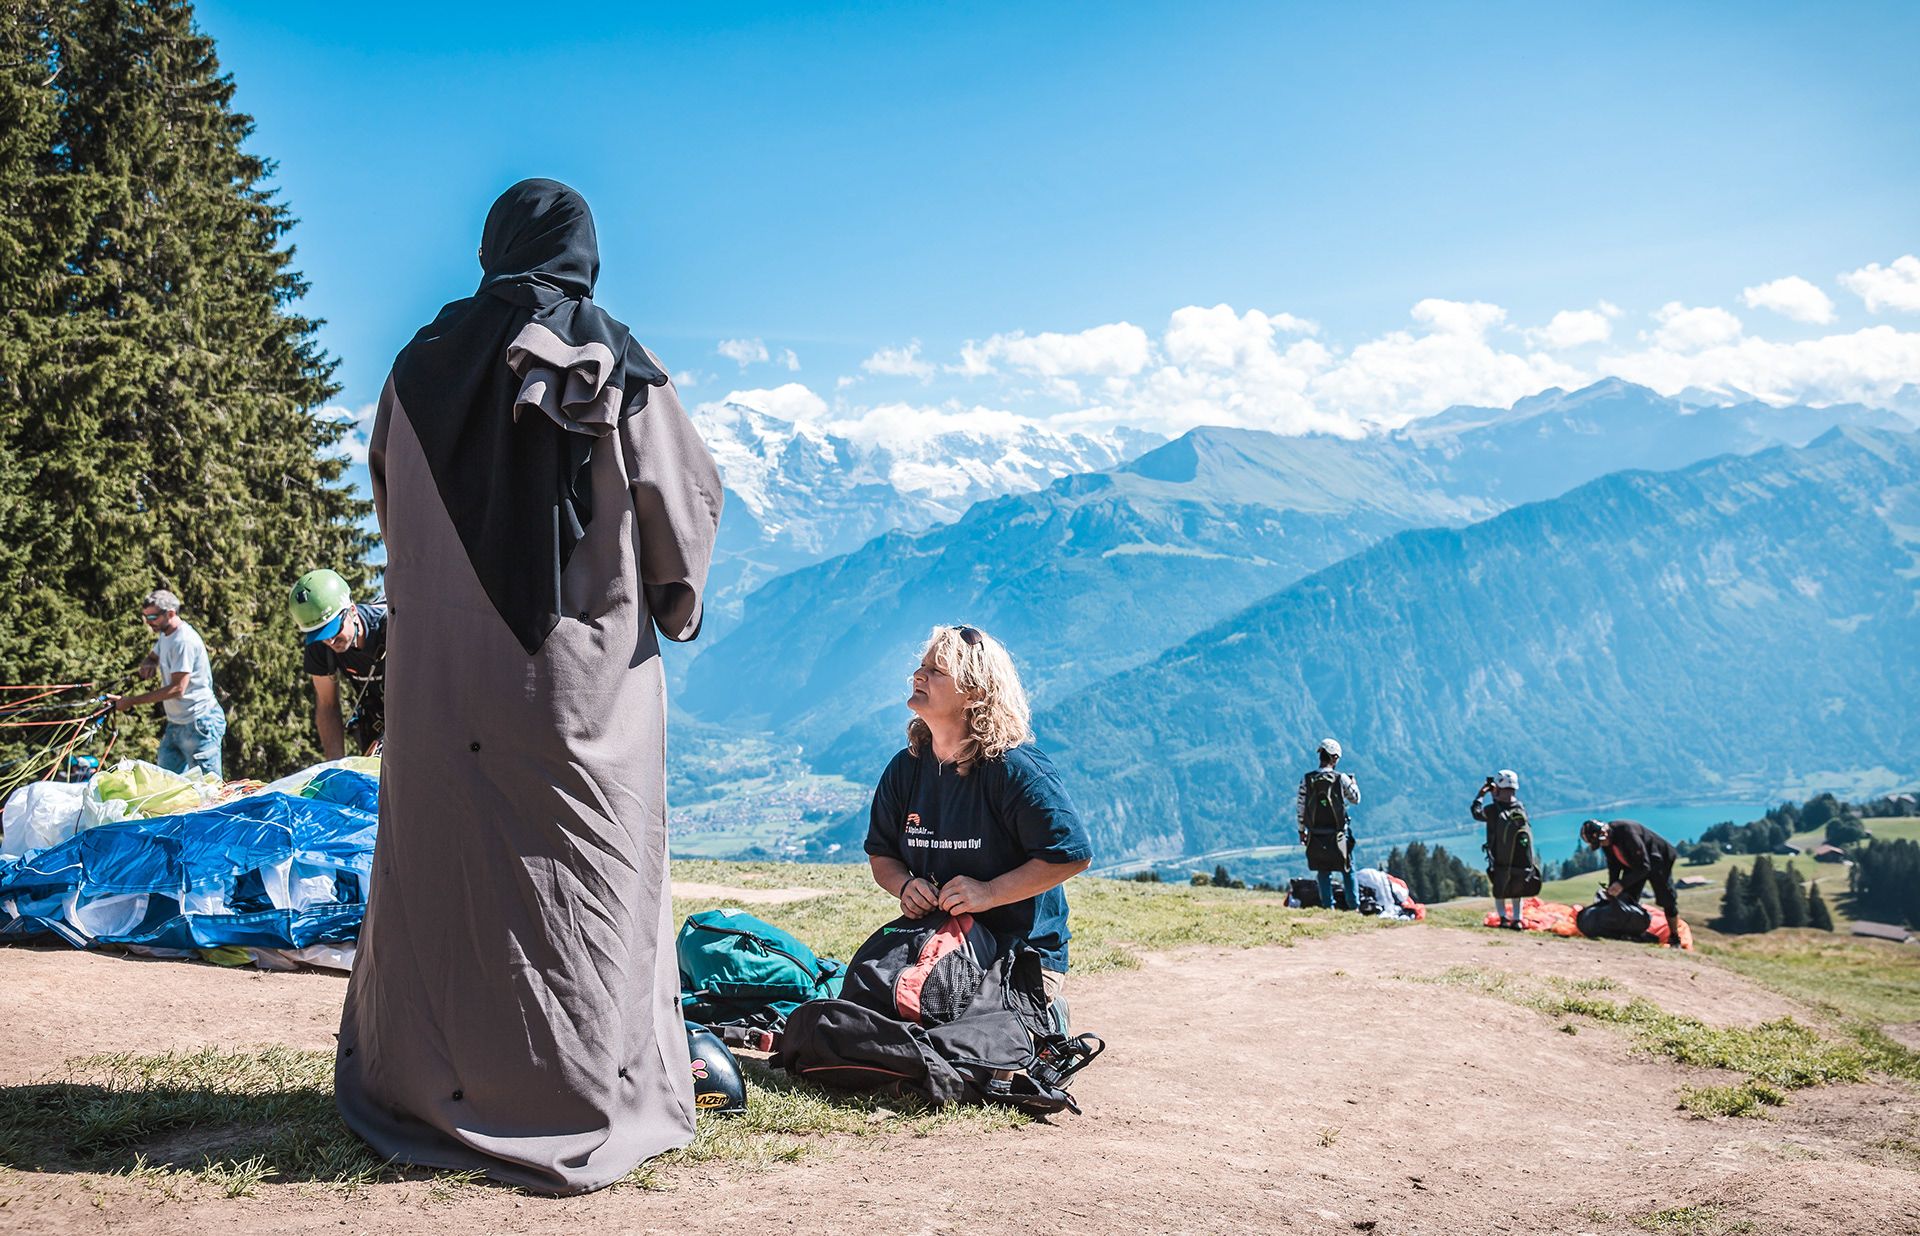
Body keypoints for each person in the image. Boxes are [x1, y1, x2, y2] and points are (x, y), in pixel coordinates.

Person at [334, 179, 723, 1195]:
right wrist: (667, 603)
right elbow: (681, 518)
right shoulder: (620, 364)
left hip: (440, 686)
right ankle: (577, 1091)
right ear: (584, 251)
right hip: (579, 694)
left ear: (491, 248)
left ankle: (424, 1085)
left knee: (446, 883)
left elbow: (391, 510)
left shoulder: (413, 369)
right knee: (583, 886)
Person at [865, 625, 1093, 1012]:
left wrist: (988, 894)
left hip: (1019, 954)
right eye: (921, 666)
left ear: (974, 693)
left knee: (961, 1037)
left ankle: (1049, 1016)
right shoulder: (906, 769)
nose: (918, 676)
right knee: (874, 1010)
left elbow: (1071, 854)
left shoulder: (1014, 769)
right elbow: (881, 855)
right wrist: (905, 886)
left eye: (936, 671)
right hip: (938, 942)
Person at [107, 589, 226, 778]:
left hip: (199, 723)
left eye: (153, 617)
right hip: (176, 724)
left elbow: (178, 689)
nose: (148, 622)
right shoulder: (166, 634)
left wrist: (130, 701)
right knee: (167, 783)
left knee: (210, 788)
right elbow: (154, 655)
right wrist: (149, 662)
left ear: (170, 613)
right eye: (145, 617)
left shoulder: (183, 641)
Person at [290, 568, 389, 758]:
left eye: (334, 630)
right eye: (323, 636)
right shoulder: (320, 645)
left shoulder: (392, 629)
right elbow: (327, 705)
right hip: (375, 719)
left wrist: (387, 740)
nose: (331, 642)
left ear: (352, 611)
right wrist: (335, 768)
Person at [1581, 818, 1685, 949]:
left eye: (1601, 842)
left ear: (1605, 833)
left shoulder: (1628, 833)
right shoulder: (1606, 843)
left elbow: (1645, 867)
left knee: (1666, 898)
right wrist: (1612, 887)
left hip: (1657, 859)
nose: (1602, 845)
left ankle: (1675, 937)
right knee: (1627, 897)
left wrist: (1621, 884)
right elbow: (1613, 866)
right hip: (1635, 863)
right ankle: (1637, 931)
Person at [1297, 737, 1361, 910]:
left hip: (1316, 833)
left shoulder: (1307, 779)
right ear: (1334, 757)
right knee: (1348, 868)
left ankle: (1328, 906)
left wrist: (1301, 830)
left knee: (1323, 869)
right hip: (1339, 832)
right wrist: (1353, 783)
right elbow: (1355, 799)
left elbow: (1301, 806)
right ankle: (1353, 906)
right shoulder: (1341, 778)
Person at [1474, 769, 1537, 929]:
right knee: (1517, 888)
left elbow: (1476, 813)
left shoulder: (1492, 810)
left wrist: (1481, 794)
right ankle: (1517, 919)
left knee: (1500, 886)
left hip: (1500, 858)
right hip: (1521, 860)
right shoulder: (1520, 808)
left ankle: (1503, 918)